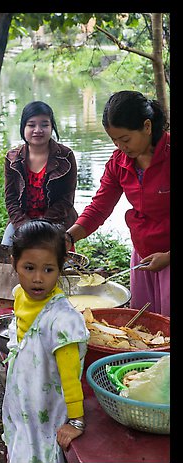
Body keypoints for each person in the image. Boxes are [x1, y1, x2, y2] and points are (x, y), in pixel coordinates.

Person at [66, 90, 170, 316]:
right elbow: (99, 208)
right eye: (113, 140)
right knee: (145, 323)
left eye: (125, 139)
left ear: (147, 127)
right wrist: (68, 238)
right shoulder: (119, 163)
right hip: (143, 255)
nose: (120, 146)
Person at [2, 219, 90, 463]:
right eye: (29, 268)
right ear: (14, 264)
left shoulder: (62, 321)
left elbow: (70, 379)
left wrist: (76, 422)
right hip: (22, 406)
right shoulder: (20, 295)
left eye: (48, 269)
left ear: (60, 268)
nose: (38, 278)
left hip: (47, 416)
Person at [1, 101, 78, 246]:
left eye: (44, 124)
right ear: (23, 127)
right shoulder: (12, 158)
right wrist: (24, 226)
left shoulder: (66, 156)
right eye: (31, 125)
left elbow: (67, 199)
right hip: (22, 221)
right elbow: (10, 199)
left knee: (59, 262)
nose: (38, 130)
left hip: (57, 221)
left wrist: (42, 225)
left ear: (52, 127)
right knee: (5, 254)